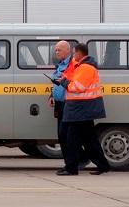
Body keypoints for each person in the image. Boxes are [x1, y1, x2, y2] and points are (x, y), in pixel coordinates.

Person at [55, 43, 111, 176]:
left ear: (80, 54)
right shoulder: (81, 66)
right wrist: (65, 77)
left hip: (80, 109)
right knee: (89, 140)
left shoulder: (86, 68)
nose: (73, 56)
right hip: (82, 108)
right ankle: (103, 165)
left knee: (71, 139)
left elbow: (77, 87)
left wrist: (63, 82)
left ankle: (71, 168)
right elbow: (72, 76)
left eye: (74, 53)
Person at [49, 41, 89, 173]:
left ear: (68, 51)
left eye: (59, 50)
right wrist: (52, 95)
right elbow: (57, 83)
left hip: (69, 104)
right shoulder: (60, 65)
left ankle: (74, 163)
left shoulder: (73, 65)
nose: (56, 52)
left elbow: (70, 82)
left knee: (66, 135)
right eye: (55, 50)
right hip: (60, 104)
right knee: (62, 136)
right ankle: (72, 163)